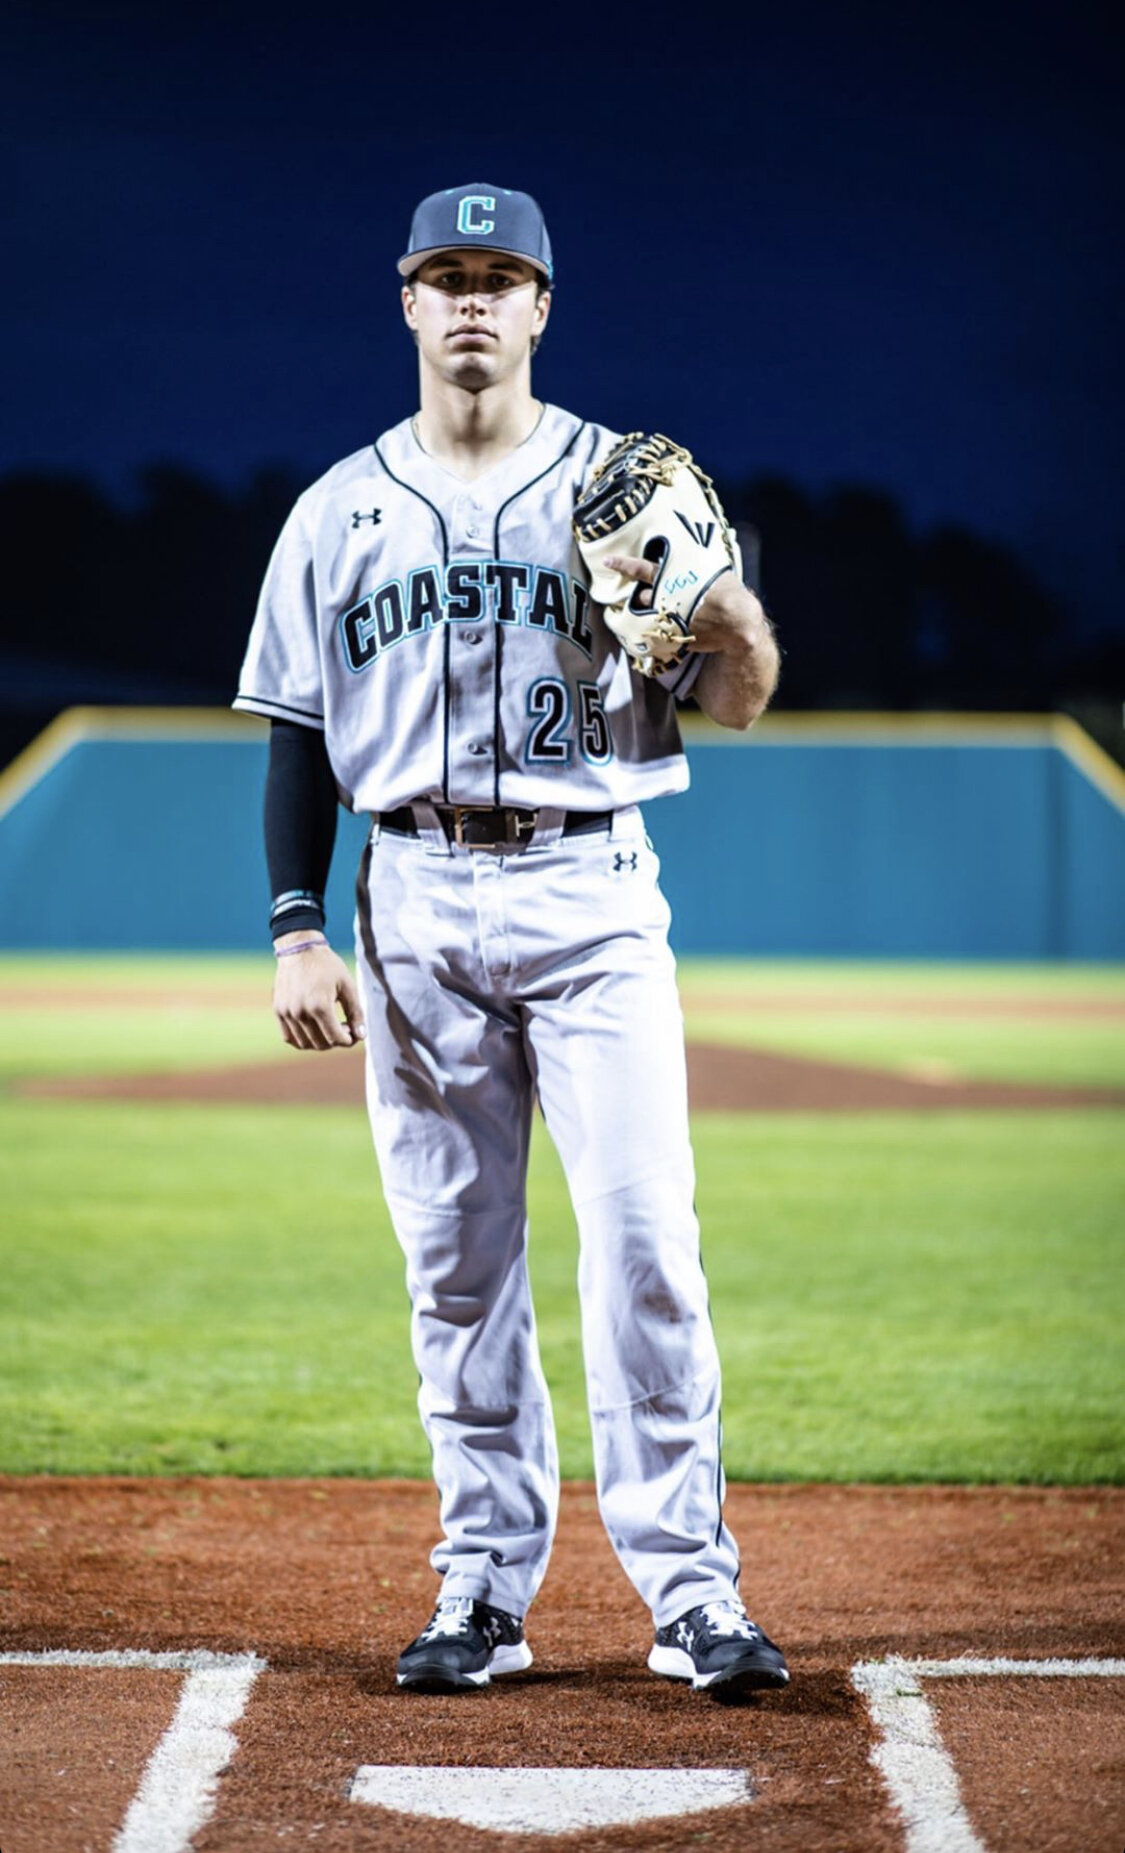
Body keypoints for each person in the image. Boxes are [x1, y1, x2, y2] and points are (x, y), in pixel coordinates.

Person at [233, 183, 788, 1698]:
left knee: (644, 1245)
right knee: (456, 1267)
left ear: (543, 306)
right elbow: (293, 738)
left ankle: (691, 1595)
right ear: (405, 302)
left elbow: (738, 692)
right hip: (407, 900)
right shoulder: (336, 510)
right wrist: (296, 927)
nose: (472, 300)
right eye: (445, 275)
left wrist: (725, 613)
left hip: (589, 887)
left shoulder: (624, 481)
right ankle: (480, 1585)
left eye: (501, 277)